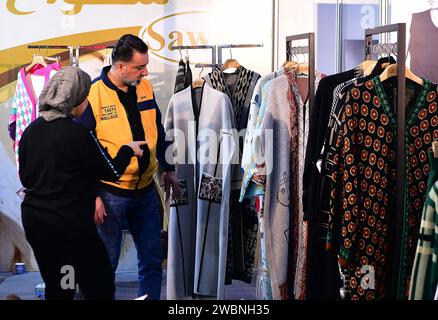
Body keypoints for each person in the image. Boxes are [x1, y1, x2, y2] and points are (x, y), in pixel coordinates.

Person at [18, 66, 147, 300]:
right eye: (85, 97)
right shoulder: (78, 134)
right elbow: (112, 171)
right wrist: (127, 150)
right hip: (68, 225)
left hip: (37, 222)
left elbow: (25, 177)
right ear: (74, 97)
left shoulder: (31, 131)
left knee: (60, 283)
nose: (86, 103)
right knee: (98, 284)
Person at [77, 34, 179, 300]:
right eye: (139, 67)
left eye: (145, 66)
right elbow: (82, 150)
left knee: (152, 261)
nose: (144, 73)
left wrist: (169, 168)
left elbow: (157, 127)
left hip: (145, 191)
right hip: (110, 193)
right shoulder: (93, 94)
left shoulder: (145, 87)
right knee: (104, 265)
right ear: (120, 66)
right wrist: (92, 194)